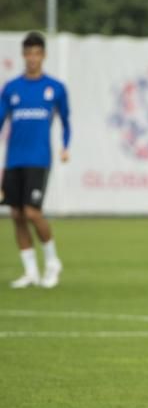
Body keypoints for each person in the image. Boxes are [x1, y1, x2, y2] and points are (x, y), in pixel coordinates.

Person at [0, 31, 71, 289]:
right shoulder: (11, 88)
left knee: (32, 211)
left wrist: (65, 147)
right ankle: (30, 270)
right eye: (28, 53)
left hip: (39, 158)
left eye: (37, 53)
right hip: (13, 160)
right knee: (17, 214)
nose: (32, 58)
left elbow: (65, 121)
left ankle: (52, 262)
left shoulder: (55, 88)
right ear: (23, 55)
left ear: (43, 56)